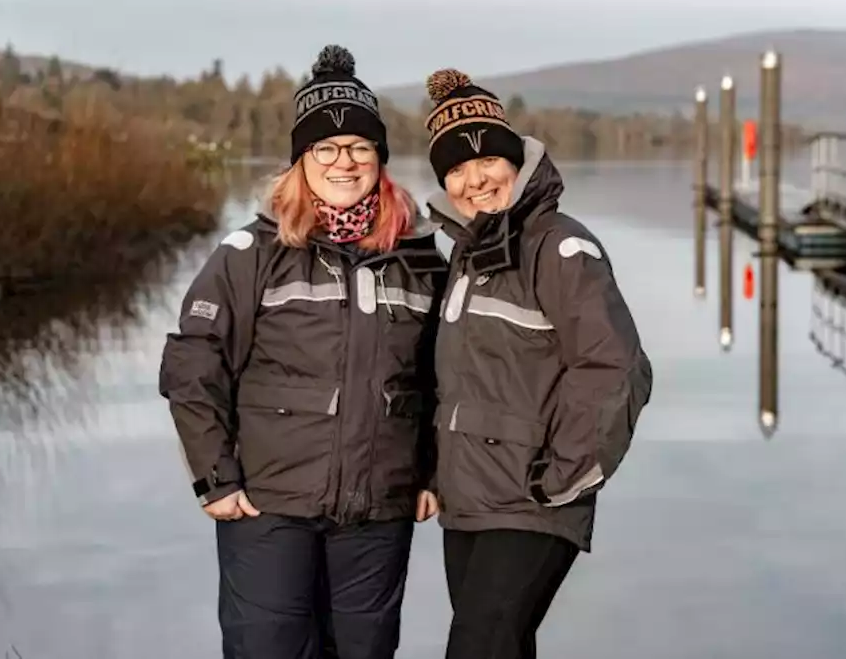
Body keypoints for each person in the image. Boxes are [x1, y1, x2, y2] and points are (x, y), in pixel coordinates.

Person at [159, 45, 448, 659]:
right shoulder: (250, 252)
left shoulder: (420, 257)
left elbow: (447, 374)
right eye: (326, 149)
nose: (344, 163)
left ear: (381, 159)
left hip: (379, 508)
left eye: (360, 148)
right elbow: (192, 364)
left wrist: (432, 470)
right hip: (267, 505)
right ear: (301, 160)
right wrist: (214, 476)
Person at [418, 68, 653, 659]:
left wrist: (566, 475)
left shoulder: (560, 247)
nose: (474, 180)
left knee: (477, 647)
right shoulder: (465, 258)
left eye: (487, 161)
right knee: (502, 646)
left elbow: (618, 367)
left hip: (533, 501)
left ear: (516, 161)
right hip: (467, 502)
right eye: (455, 169)